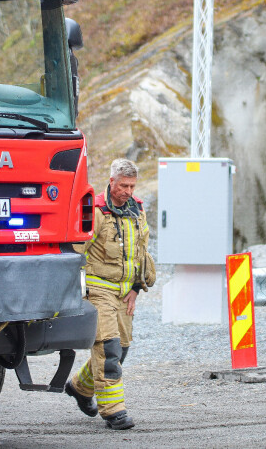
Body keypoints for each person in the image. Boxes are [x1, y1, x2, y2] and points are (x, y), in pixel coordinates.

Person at [65, 158, 155, 431]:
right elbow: (75, 251)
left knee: (122, 349)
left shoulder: (137, 209)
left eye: (132, 186)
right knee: (108, 348)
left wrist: (137, 288)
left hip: (125, 291)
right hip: (98, 288)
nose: (127, 191)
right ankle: (113, 411)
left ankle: (80, 388)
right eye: (123, 185)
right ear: (111, 182)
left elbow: (141, 252)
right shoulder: (96, 210)